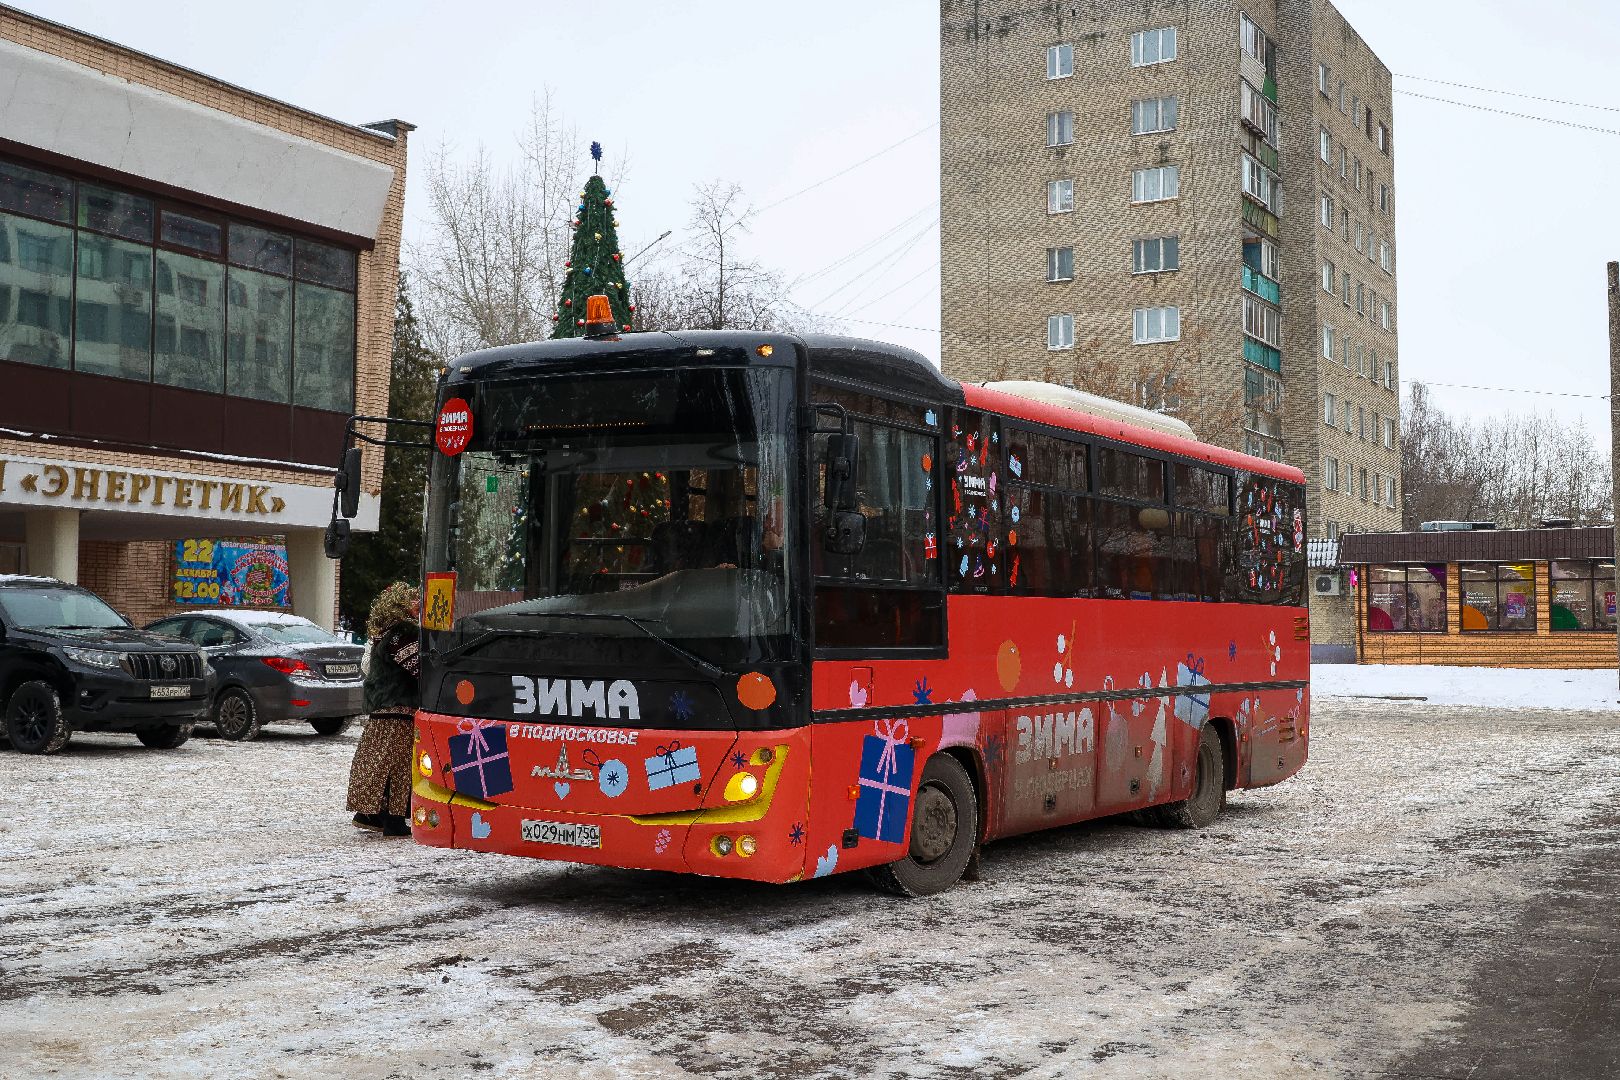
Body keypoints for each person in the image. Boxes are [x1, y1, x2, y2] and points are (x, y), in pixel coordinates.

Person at [346, 582, 421, 837]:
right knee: (398, 765)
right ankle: (394, 819)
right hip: (398, 708)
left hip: (382, 708)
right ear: (401, 604)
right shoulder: (404, 632)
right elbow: (418, 668)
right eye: (413, 601)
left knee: (377, 762)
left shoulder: (385, 631)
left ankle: (370, 813)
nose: (418, 605)